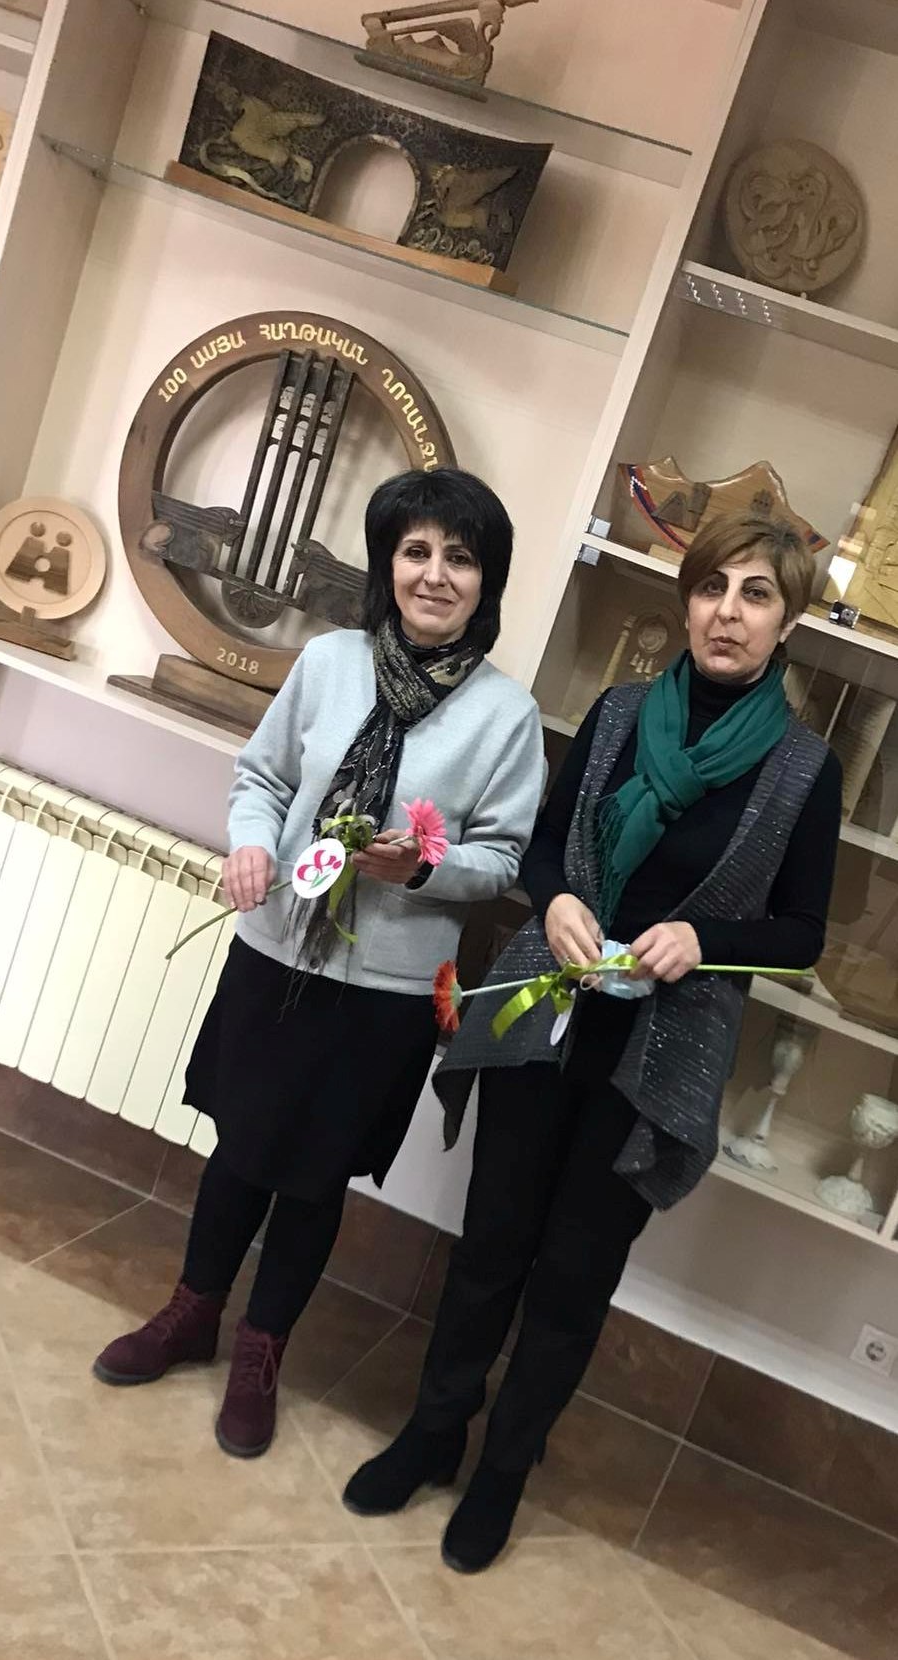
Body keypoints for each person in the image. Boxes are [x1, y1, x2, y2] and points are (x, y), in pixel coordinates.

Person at [344, 515, 842, 1571]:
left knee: (573, 1274)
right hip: (545, 1016)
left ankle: (501, 1471)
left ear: (787, 621)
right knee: (490, 1244)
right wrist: (560, 898)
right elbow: (541, 848)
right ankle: (433, 1433)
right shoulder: (619, 714)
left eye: (756, 594)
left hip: (655, 1056)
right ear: (686, 600)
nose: (727, 612)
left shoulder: (804, 768)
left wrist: (705, 939)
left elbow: (802, 932)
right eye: (712, 587)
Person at [93, 467, 545, 1459]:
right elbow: (262, 777)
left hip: (385, 991)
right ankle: (192, 1312)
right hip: (278, 953)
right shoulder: (330, 661)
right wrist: (252, 844)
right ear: (388, 564)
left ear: (487, 581)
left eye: (460, 558)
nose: (434, 575)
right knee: (241, 1144)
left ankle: (261, 1351)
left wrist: (421, 865)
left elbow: (502, 860)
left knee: (313, 1177)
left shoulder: (506, 716)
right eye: (416, 551)